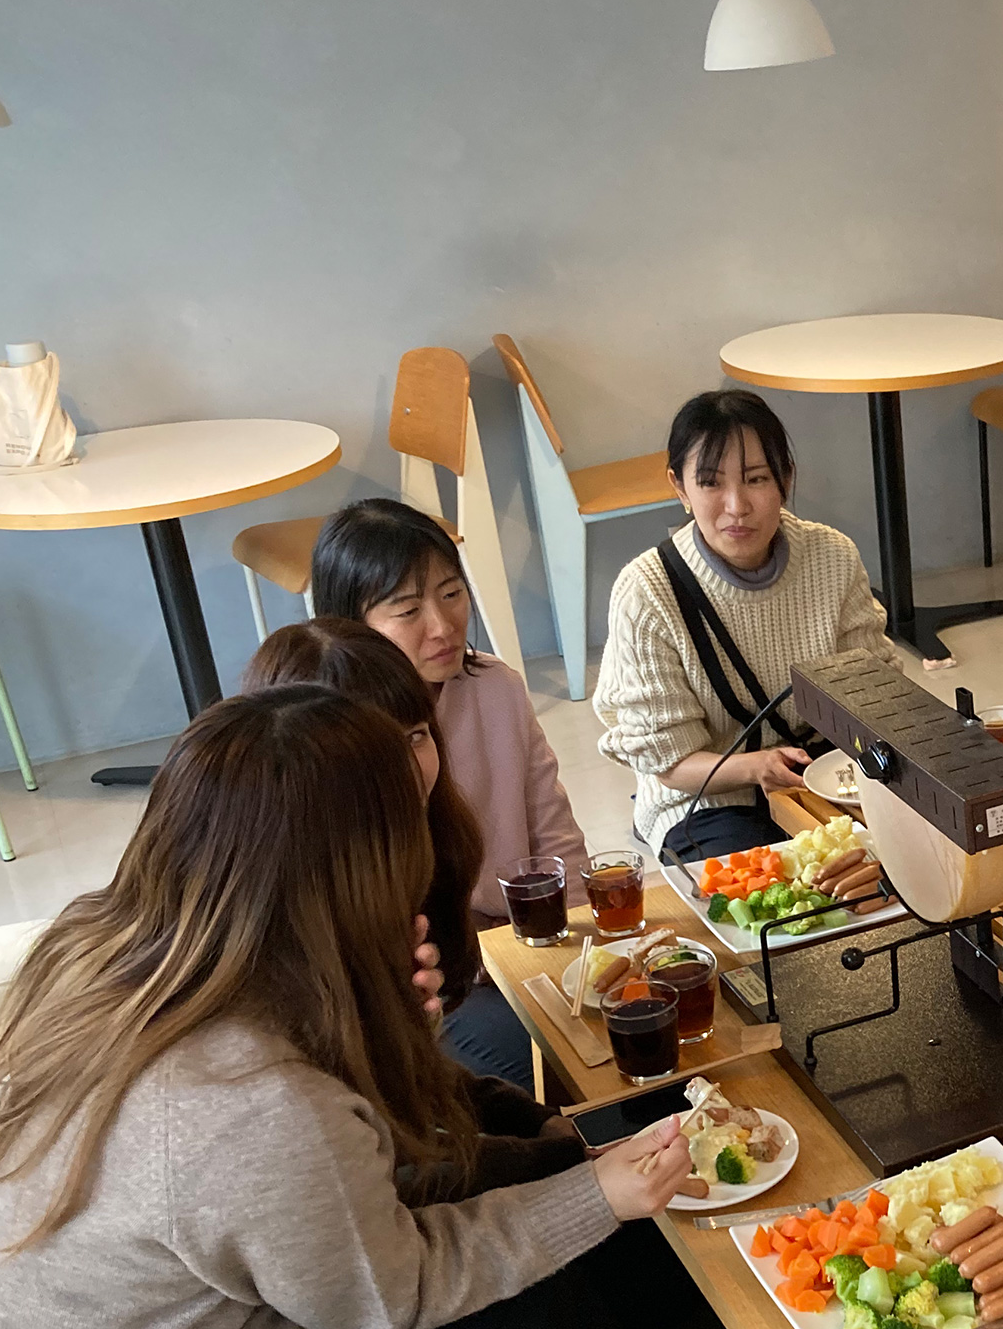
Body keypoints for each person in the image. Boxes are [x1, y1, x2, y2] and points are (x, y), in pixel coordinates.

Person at [0, 687, 700, 1329]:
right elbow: (394, 1294)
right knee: (514, 1316)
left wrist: (390, 1030)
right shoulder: (246, 1103)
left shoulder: (100, 946)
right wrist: (598, 1195)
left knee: (526, 1248)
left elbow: (330, 1182)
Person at [241, 618, 593, 1199]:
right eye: (376, 750)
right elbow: (375, 1177)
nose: (408, 768)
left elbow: (406, 1082)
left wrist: (537, 1131)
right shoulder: (281, 929)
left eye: (416, 736)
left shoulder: (419, 848)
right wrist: (555, 1169)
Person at [313, 498, 591, 1085]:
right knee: (545, 1067)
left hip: (527, 946)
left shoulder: (496, 687)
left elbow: (554, 831)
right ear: (348, 627)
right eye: (407, 609)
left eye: (451, 593)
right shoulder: (336, 738)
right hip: (431, 978)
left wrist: (585, 948)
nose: (442, 627)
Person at [594, 388, 896, 860]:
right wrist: (756, 766)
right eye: (711, 483)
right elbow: (669, 764)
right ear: (680, 487)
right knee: (772, 898)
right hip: (708, 799)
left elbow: (874, 694)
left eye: (756, 479)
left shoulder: (831, 556)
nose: (736, 506)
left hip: (829, 775)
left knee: (915, 866)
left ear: (785, 478)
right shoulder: (647, 591)